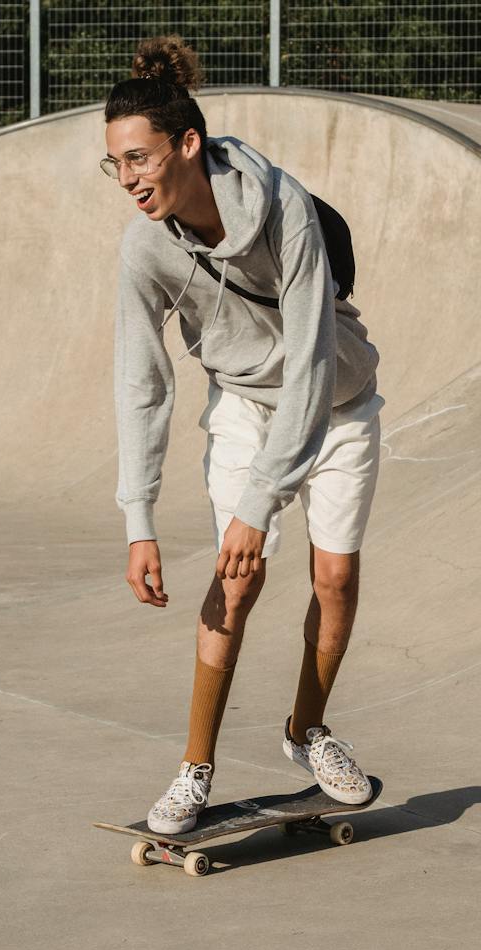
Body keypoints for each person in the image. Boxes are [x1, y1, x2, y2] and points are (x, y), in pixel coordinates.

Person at [105, 35, 382, 834]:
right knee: (236, 577)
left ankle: (307, 731)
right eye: (115, 164)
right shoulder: (144, 248)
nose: (129, 180)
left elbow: (312, 359)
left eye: (139, 159)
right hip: (244, 408)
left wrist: (261, 500)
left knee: (334, 578)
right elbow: (141, 385)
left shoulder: (282, 207)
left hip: (337, 399)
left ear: (186, 144)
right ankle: (194, 767)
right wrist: (139, 519)